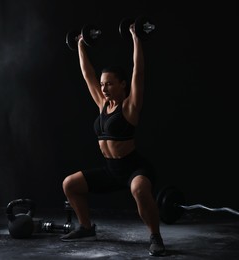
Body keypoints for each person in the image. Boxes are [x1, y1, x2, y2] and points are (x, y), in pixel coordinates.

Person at [60, 23, 165, 256]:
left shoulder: (130, 106)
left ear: (122, 85)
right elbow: (87, 73)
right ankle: (87, 228)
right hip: (111, 170)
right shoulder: (101, 103)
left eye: (109, 83)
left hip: (133, 168)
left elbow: (138, 70)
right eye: (103, 84)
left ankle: (155, 237)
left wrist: (136, 37)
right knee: (70, 184)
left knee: (138, 189)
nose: (104, 88)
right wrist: (80, 43)